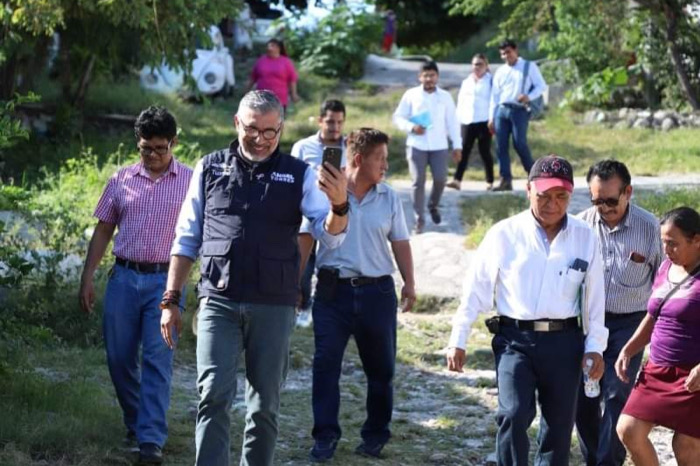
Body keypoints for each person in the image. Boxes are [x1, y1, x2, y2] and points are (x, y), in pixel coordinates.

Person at [159, 90, 348, 466]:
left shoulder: (299, 174)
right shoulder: (210, 167)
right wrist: (170, 299)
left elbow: (331, 234)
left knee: (264, 403)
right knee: (212, 395)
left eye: (269, 132)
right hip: (219, 300)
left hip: (273, 304)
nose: (259, 139)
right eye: (251, 129)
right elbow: (187, 236)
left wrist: (340, 203)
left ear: (281, 129)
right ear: (236, 123)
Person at [447, 155, 608, 466]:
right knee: (513, 413)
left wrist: (594, 348)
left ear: (571, 195)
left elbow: (594, 300)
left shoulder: (584, 236)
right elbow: (476, 288)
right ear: (528, 191)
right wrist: (459, 338)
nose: (552, 204)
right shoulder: (504, 233)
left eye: (560, 197)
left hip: (564, 342)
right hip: (514, 340)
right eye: (543, 196)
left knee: (559, 428)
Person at [78, 106, 192, 465]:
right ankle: (136, 419)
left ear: (173, 143)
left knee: (158, 359)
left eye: (161, 148)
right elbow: (103, 229)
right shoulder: (121, 179)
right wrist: (88, 275)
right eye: (146, 148)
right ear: (137, 144)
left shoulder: (191, 182)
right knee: (119, 357)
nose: (154, 156)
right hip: (124, 278)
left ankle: (150, 440)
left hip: (166, 281)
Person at [308, 128, 416, 462]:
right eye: (380, 158)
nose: (386, 165)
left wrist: (410, 283)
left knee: (381, 370)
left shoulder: (389, 197)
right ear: (358, 159)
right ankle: (325, 436)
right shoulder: (323, 191)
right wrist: (295, 283)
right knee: (325, 366)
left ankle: (375, 435)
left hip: (377, 293)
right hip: (331, 293)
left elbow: (400, 242)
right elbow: (305, 236)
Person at [575, 160, 663, 466]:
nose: (604, 208)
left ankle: (606, 463)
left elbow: (663, 281)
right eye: (597, 200)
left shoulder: (650, 227)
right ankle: (594, 459)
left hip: (629, 324)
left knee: (616, 394)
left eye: (611, 201)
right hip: (586, 324)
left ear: (628, 192)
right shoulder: (580, 226)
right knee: (582, 399)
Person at [616, 207, 700, 466]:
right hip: (657, 370)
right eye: (663, 242)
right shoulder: (665, 267)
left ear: (697, 240)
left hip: (693, 377)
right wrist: (628, 349)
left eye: (673, 244)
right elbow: (654, 315)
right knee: (628, 430)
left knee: (686, 447)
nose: (666, 250)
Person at [292, 99, 347, 327]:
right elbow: (292, 180)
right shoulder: (303, 147)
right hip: (307, 213)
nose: (335, 127)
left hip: (338, 213)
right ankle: (301, 305)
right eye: (331, 122)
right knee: (302, 262)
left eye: (340, 122)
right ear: (320, 120)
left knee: (332, 265)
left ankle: (325, 309)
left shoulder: (350, 148)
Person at [392, 60, 462, 234]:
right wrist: (411, 127)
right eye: (425, 75)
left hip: (439, 146)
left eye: (432, 75)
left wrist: (457, 145)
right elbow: (398, 117)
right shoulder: (411, 95)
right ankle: (419, 220)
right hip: (417, 145)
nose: (429, 79)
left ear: (437, 76)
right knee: (418, 182)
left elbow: (453, 123)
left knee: (440, 179)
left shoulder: (445, 97)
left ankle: (433, 206)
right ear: (420, 77)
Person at [488, 39, 547, 191]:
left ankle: (534, 176)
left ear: (515, 50)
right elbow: (494, 95)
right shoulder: (501, 71)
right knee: (500, 145)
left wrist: (529, 96)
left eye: (508, 52)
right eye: (502, 53)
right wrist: (491, 117)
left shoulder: (528, 66)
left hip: (519, 110)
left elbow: (541, 86)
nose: (506, 56)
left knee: (519, 143)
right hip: (502, 110)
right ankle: (505, 180)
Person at [447, 53, 494, 191]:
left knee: (484, 150)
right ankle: (457, 180)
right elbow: (461, 102)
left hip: (484, 120)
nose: (476, 67)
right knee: (464, 150)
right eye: (474, 64)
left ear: (486, 66)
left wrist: (492, 118)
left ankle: (489, 180)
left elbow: (493, 101)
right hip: (467, 120)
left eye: (479, 64)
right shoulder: (466, 81)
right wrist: (456, 120)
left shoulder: (491, 81)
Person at [247, 39, 299, 112]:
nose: (269, 48)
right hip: (262, 97)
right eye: (268, 46)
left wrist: (294, 94)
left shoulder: (286, 62)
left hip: (280, 98)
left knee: (277, 121)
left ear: (278, 48)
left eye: (272, 46)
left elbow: (292, 79)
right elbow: (253, 78)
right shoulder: (261, 61)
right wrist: (247, 91)